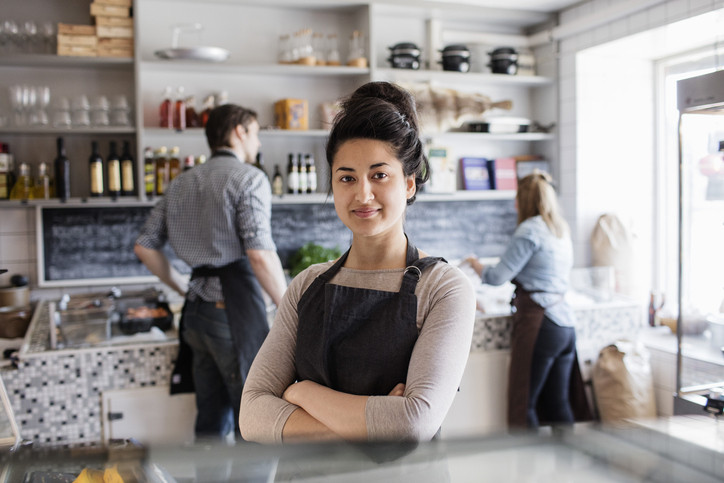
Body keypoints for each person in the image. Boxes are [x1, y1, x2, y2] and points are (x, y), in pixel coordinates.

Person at [239, 82, 476, 443]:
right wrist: (373, 421)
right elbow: (252, 416)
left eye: (379, 175)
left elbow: (412, 425)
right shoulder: (307, 284)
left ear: (409, 184)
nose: (363, 194)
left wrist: (303, 394)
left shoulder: (443, 288)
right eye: (347, 177)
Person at [134, 104, 287, 441]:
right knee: (254, 425)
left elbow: (144, 245)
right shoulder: (249, 178)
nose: (258, 144)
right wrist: (290, 309)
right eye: (256, 133)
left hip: (196, 314)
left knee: (210, 424)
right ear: (239, 131)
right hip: (231, 317)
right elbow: (259, 255)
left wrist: (179, 285)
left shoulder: (180, 183)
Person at [464, 171, 590, 430]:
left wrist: (475, 264)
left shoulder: (529, 230)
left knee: (526, 404)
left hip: (541, 323)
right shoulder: (559, 230)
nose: (514, 205)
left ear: (525, 200)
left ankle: (526, 469)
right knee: (558, 404)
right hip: (565, 324)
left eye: (517, 198)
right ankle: (568, 466)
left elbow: (498, 276)